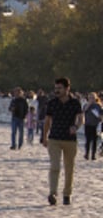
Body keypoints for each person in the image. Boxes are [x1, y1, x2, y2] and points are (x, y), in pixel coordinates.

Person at [43, 77, 84, 205]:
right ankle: (53, 193)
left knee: (69, 168)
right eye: (56, 88)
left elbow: (81, 119)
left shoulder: (75, 103)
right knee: (54, 166)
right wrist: (44, 136)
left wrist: (76, 127)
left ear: (67, 89)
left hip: (70, 139)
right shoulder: (52, 103)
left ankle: (67, 194)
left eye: (59, 88)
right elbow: (47, 121)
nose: (57, 91)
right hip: (54, 138)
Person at [84, 93, 101, 161]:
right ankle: (86, 154)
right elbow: (84, 110)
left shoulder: (98, 106)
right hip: (87, 124)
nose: (91, 99)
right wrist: (89, 104)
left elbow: (101, 114)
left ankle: (93, 155)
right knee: (87, 140)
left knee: (94, 141)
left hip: (95, 125)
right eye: (90, 97)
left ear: (95, 98)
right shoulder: (86, 104)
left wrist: (99, 116)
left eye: (93, 98)